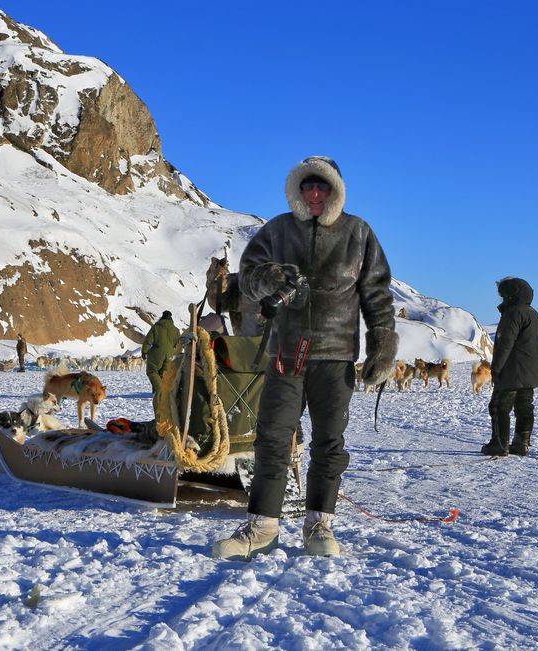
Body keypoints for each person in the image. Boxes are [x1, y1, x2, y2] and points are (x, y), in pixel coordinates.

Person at [212, 156, 398, 560]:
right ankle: (262, 527)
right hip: (285, 353)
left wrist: (383, 340)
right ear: (297, 191)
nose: (314, 194)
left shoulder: (358, 233)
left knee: (329, 442)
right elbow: (249, 272)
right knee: (273, 439)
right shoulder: (278, 230)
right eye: (307, 187)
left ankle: (319, 525)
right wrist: (271, 278)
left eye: (322, 187)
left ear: (335, 192)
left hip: (335, 357)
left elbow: (378, 293)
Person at [482, 277, 538, 457]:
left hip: (512, 370)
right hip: (531, 371)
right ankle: (521, 443)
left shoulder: (513, 313)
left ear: (511, 294)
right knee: (524, 406)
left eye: (503, 294)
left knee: (499, 407)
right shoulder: (534, 313)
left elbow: (505, 343)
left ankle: (499, 445)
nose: (501, 298)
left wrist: (496, 368)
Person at [141, 311, 180, 411]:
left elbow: (148, 340)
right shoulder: (175, 330)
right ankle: (163, 393)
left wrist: (144, 351)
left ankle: (160, 391)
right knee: (163, 374)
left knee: (152, 371)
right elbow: (178, 344)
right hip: (170, 354)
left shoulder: (157, 327)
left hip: (156, 353)